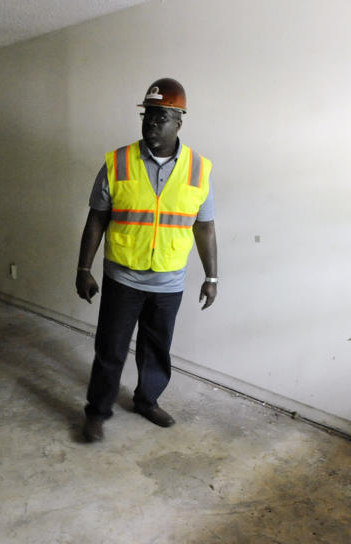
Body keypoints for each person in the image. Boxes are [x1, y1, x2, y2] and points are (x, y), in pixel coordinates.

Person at [75, 78, 218, 443]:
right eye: (147, 116)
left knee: (157, 349)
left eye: (161, 117)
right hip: (123, 278)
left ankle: (147, 400)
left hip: (169, 281)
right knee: (110, 349)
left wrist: (212, 277)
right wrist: (83, 269)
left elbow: (205, 228)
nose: (151, 124)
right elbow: (96, 219)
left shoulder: (199, 170)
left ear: (179, 122)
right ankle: (97, 412)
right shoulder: (117, 163)